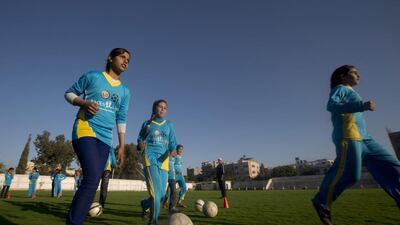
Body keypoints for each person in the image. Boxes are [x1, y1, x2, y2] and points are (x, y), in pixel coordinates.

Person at [312, 65, 400, 225]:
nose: (359, 76)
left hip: (366, 139)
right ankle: (321, 203)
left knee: (394, 167)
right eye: (354, 73)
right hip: (349, 137)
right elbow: (331, 105)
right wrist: (362, 106)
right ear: (343, 76)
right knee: (352, 175)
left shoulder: (354, 92)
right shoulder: (340, 88)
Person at [65, 48, 131, 225]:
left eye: (128, 60)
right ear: (110, 58)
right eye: (122, 56)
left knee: (94, 181)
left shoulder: (125, 91)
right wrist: (84, 103)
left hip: (106, 139)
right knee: (93, 176)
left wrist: (122, 146)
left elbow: (121, 118)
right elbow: (69, 93)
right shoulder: (93, 76)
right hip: (85, 129)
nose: (125, 61)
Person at [138, 99, 177, 225]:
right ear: (154, 109)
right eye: (160, 107)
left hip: (164, 161)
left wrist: (173, 150)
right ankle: (153, 221)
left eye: (165, 107)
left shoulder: (169, 125)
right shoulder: (147, 124)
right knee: (155, 194)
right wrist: (140, 145)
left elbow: (173, 143)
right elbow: (139, 139)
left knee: (161, 195)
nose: (162, 109)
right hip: (150, 159)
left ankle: (145, 204)